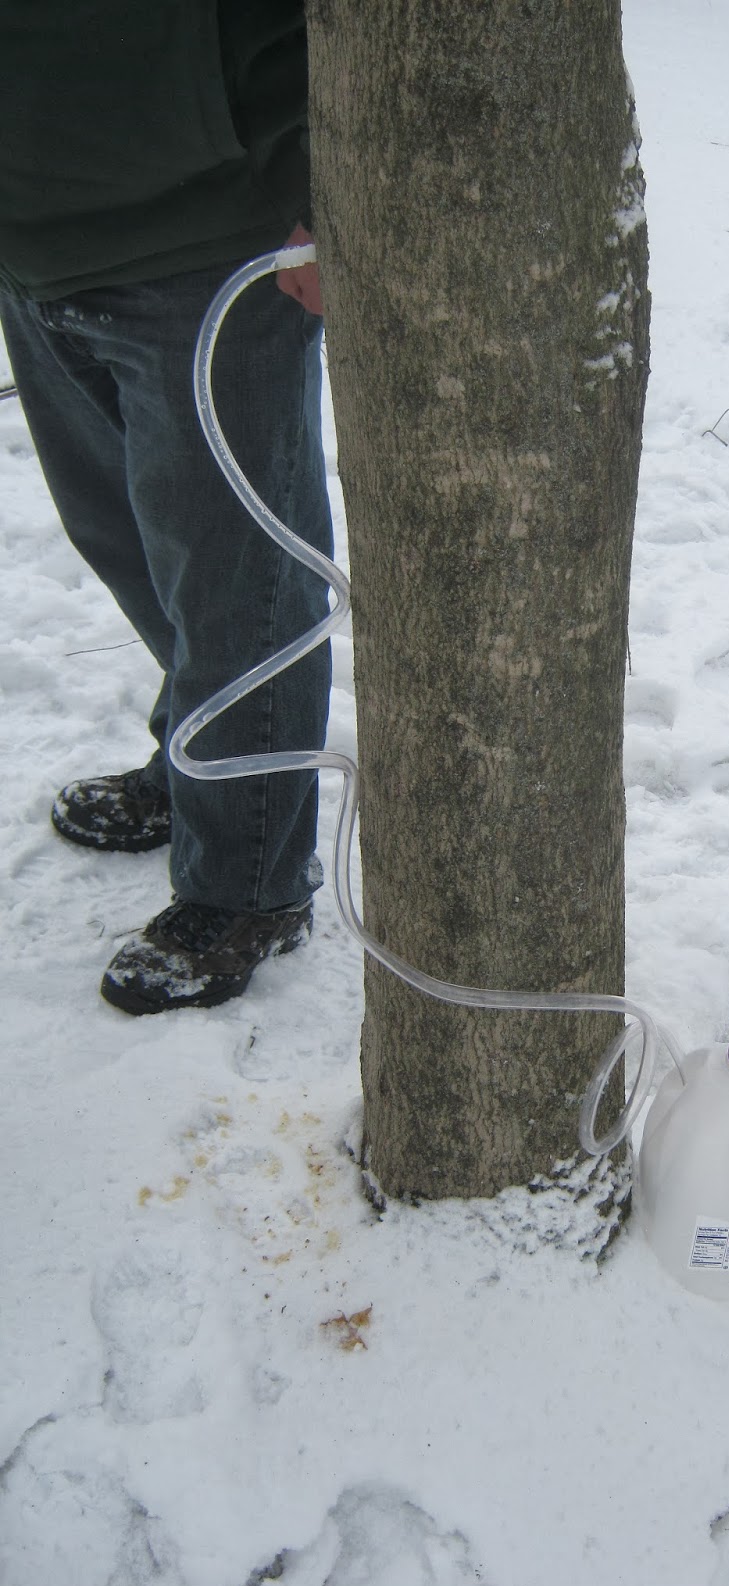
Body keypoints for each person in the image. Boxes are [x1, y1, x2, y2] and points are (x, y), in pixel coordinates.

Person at [0, 1, 333, 1014]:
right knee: (130, 541)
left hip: (207, 237)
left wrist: (323, 195)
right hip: (32, 243)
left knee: (240, 587)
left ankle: (248, 883)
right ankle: (204, 765)